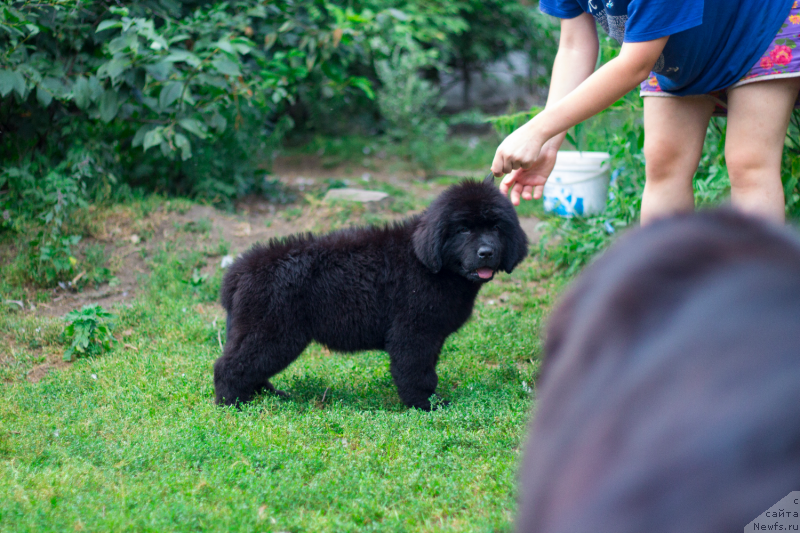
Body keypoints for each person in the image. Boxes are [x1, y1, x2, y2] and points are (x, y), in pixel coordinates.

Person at [492, 0, 800, 224]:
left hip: (759, 26)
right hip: (670, 45)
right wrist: (549, 141)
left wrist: (537, 129)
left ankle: (760, 301)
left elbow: (635, 65)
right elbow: (574, 45)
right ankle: (662, 300)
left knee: (749, 164)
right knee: (664, 163)